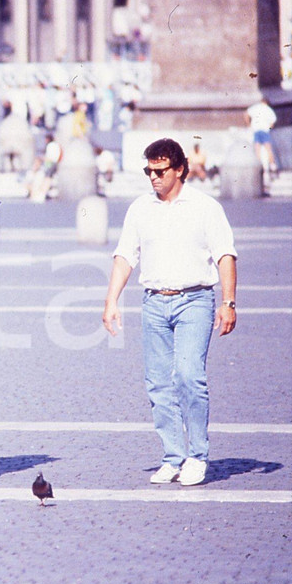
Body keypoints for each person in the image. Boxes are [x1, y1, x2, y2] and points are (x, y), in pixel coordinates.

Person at [102, 138, 237, 487]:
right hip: (153, 302)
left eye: (160, 170)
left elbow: (225, 255)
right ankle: (172, 456)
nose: (153, 177)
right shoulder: (140, 208)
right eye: (149, 170)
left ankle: (197, 456)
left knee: (189, 376)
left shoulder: (205, 207)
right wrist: (111, 300)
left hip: (195, 300)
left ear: (179, 169)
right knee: (159, 383)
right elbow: (125, 255)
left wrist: (228, 301)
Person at [245, 96, 278, 179]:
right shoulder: (268, 110)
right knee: (268, 149)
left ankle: (259, 166)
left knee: (257, 149)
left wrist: (249, 124)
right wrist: (269, 129)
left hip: (256, 130)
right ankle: (273, 166)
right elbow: (272, 122)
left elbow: (246, 113)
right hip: (264, 131)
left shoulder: (255, 108)